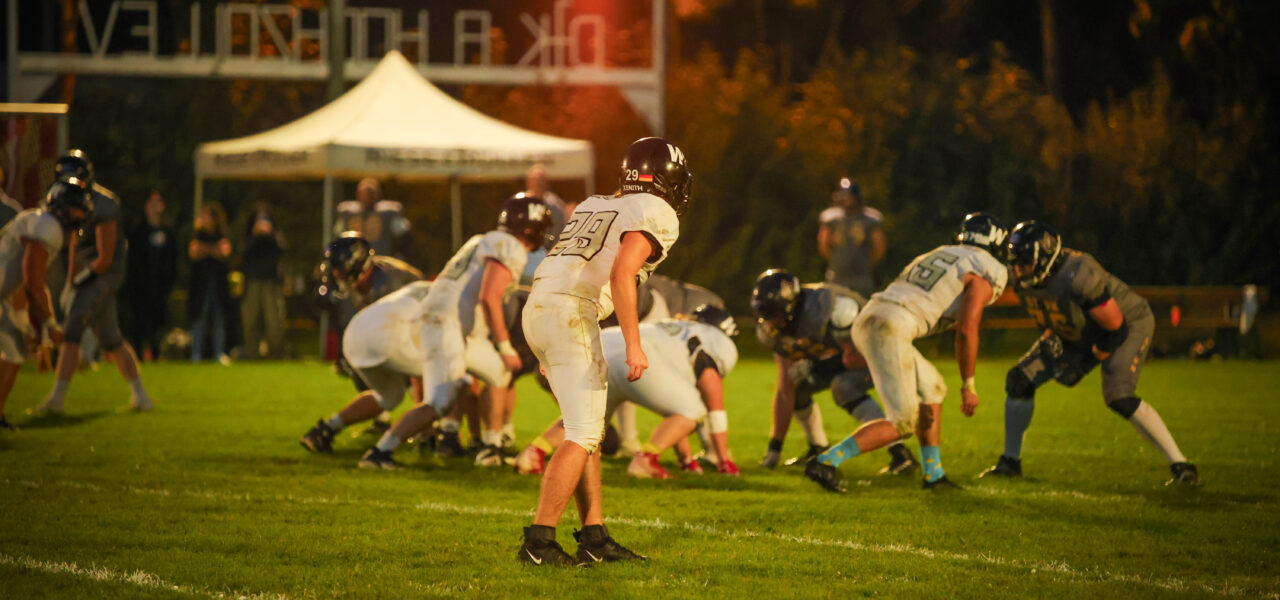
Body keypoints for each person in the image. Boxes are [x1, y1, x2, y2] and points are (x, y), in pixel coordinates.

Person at [517, 137, 687, 566]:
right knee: (584, 434)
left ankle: (593, 534)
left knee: (585, 428)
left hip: (540, 304)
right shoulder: (657, 210)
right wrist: (634, 343)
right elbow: (623, 270)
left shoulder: (596, 202)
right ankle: (539, 542)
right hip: (571, 312)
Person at [979, 221, 1200, 485]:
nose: (1018, 269)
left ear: (1046, 258)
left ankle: (1182, 466)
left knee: (1118, 396)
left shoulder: (1078, 274)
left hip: (1126, 324)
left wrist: (1085, 361)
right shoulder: (1021, 275)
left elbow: (1115, 330)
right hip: (1074, 329)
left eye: (1025, 261)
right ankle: (1010, 463)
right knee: (1019, 380)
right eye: (1015, 261)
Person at [804, 212, 1008, 493]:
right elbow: (966, 328)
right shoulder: (988, 267)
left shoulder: (941, 252)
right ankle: (825, 462)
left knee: (933, 389)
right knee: (902, 422)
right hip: (892, 325)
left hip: (871, 315)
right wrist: (968, 384)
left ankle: (933, 476)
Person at [355, 194, 551, 470]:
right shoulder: (509, 246)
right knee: (439, 402)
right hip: (447, 325)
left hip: (448, 323)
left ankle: (490, 449)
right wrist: (506, 347)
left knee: (497, 372)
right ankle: (379, 453)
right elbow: (489, 296)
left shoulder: (482, 239)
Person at [514, 305, 741, 479]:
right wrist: (723, 459)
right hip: (637, 357)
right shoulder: (718, 341)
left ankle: (533, 453)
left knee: (589, 419)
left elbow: (676, 409)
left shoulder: (671, 327)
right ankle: (646, 460)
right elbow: (710, 403)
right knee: (693, 410)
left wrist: (686, 459)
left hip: (600, 345)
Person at [750, 269, 919, 475]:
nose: (768, 321)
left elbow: (859, 358)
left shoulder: (831, 307)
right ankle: (817, 449)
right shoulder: (776, 329)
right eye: (763, 313)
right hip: (841, 359)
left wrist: (818, 367)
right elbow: (786, 388)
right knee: (798, 389)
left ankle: (901, 454)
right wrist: (774, 449)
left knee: (844, 387)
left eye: (772, 312)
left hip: (880, 352)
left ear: (789, 305)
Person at [33, 150, 154, 413]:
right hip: (86, 272)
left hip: (103, 274)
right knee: (111, 338)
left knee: (72, 327)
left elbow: (105, 257)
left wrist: (79, 281)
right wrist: (70, 280)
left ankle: (56, 399)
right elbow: (76, 243)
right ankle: (141, 397)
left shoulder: (104, 204)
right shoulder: (70, 200)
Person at [0, 180, 92, 429]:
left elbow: (22, 279)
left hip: (4, 295)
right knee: (13, 350)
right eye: (77, 208)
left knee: (14, 351)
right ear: (63, 206)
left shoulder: (41, 221)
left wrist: (32, 324)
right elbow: (32, 280)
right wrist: (49, 323)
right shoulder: (47, 226)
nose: (81, 214)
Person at [126, 190, 178, 361]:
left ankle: (156, 354)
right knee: (140, 323)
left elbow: (173, 259)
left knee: (158, 323)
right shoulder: (139, 231)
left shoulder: (168, 231)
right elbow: (133, 260)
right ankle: (138, 355)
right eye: (152, 202)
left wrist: (169, 282)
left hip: (160, 288)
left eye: (159, 202)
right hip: (141, 286)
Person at [817, 178, 885, 297]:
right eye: (843, 196)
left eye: (848, 196)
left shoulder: (870, 219)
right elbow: (823, 245)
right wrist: (836, 263)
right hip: (837, 276)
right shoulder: (831, 218)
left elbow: (879, 248)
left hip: (861, 278)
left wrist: (865, 265)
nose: (845, 199)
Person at [187, 203, 233, 364]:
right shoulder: (198, 233)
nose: (203, 219)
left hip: (218, 283)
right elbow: (194, 252)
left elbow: (224, 251)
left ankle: (219, 352)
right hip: (201, 284)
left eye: (206, 216)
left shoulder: (222, 233)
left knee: (219, 317)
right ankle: (196, 353)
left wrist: (205, 250)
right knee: (199, 316)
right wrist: (213, 250)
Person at [241, 205, 286, 359]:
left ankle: (274, 353)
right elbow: (243, 253)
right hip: (253, 281)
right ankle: (251, 352)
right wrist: (255, 235)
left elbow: (282, 250)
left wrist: (271, 234)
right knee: (250, 319)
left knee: (274, 320)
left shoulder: (275, 235)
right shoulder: (249, 236)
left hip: (271, 281)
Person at [335, 178, 410, 257]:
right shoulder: (348, 213)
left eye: (371, 194)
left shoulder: (388, 213)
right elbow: (338, 234)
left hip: (380, 260)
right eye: (365, 194)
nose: (368, 197)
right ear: (358, 194)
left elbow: (401, 234)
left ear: (378, 194)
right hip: (355, 260)